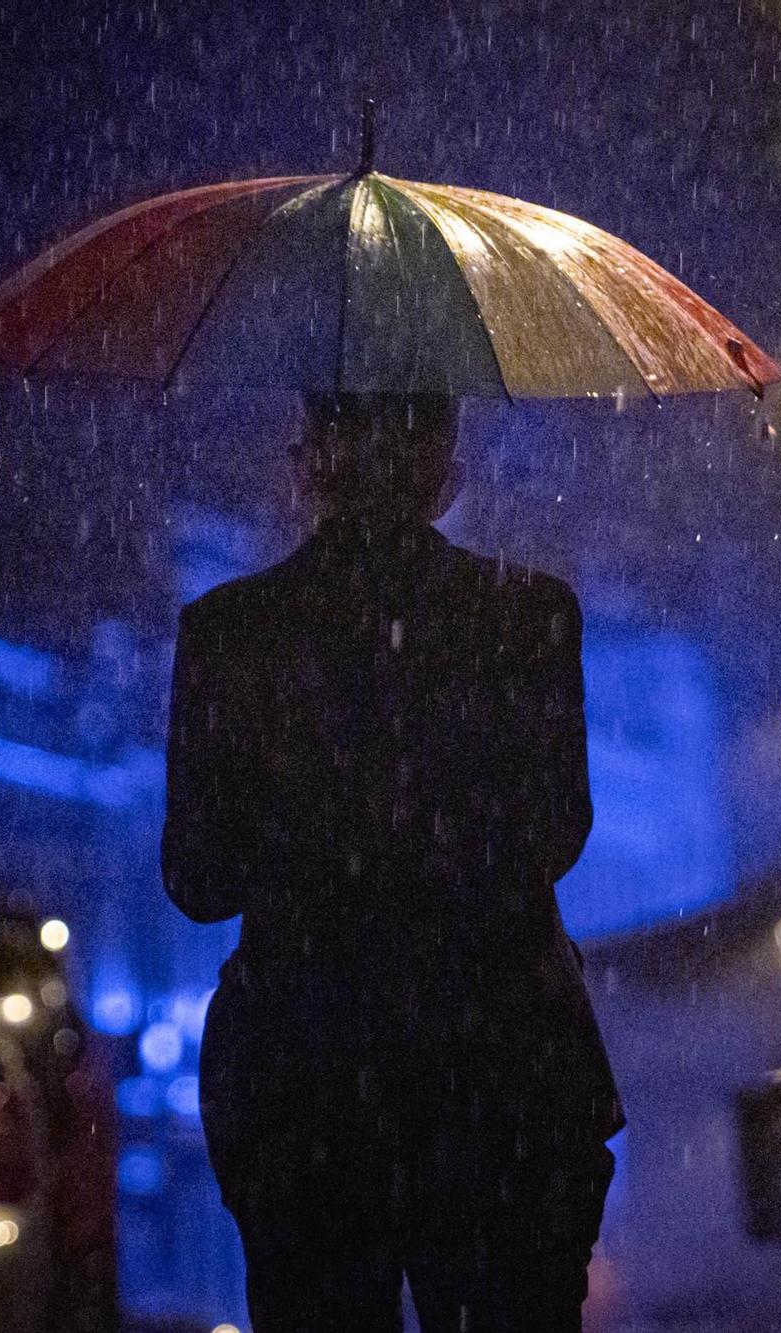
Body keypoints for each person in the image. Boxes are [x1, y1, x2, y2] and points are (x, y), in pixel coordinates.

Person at [162, 393, 623, 1333]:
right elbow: (556, 835)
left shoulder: (230, 633)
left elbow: (198, 880)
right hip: (502, 1076)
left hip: (307, 1090)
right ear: (442, 458)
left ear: (309, 460)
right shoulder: (529, 616)